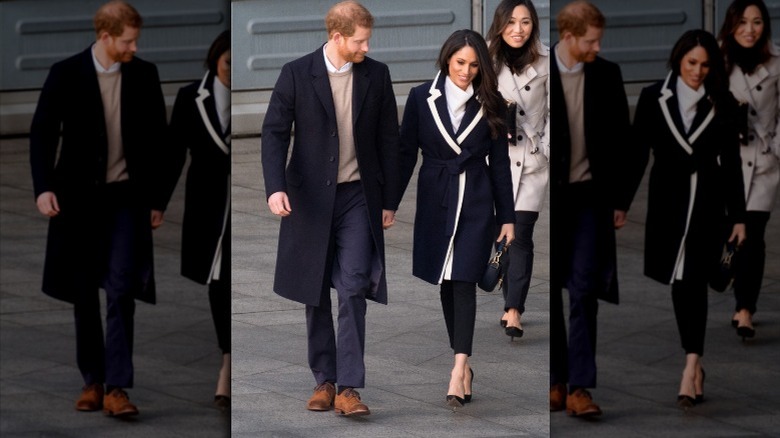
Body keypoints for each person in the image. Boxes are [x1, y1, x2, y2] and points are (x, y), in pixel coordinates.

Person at [261, 1, 400, 417]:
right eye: (359, 40)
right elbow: (272, 132)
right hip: (310, 200)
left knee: (355, 283)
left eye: (367, 39)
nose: (366, 46)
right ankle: (324, 379)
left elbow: (389, 140)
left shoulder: (376, 74)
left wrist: (390, 200)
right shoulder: (296, 73)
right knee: (315, 288)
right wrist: (274, 188)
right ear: (337, 37)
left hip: (359, 196)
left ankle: (349, 388)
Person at [29, 0, 167, 417]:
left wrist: (157, 200)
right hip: (79, 201)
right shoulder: (66, 73)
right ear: (105, 36)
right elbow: (42, 134)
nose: (133, 47)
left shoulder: (144, 74)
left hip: (126, 199)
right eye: (127, 40)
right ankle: (93, 380)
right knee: (84, 292)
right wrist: (42, 189)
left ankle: (118, 388)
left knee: (122, 288)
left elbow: (159, 142)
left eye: (135, 39)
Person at [625, 29, 746, 409]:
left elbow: (733, 165)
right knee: (679, 283)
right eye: (692, 62)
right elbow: (638, 153)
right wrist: (621, 203)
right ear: (679, 59)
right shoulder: (653, 97)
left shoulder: (723, 102)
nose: (697, 70)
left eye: (705, 65)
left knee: (694, 280)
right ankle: (694, 359)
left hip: (709, 205)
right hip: (668, 204)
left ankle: (691, 364)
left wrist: (739, 217)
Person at [398, 29, 516, 408]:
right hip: (436, 197)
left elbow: (500, 165)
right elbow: (405, 154)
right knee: (446, 282)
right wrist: (388, 204)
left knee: (464, 279)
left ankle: (458, 368)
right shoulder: (420, 98)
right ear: (447, 58)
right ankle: (463, 363)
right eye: (460, 62)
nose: (466, 70)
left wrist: (507, 217)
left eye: (474, 64)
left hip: (478, 201)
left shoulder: (492, 102)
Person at [549, 0, 631, 417]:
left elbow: (623, 143)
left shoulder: (607, 74)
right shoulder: (540, 75)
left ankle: (580, 387)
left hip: (590, 201)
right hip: (551, 200)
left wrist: (620, 200)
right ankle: (555, 379)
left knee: (584, 290)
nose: (598, 47)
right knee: (549, 291)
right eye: (591, 40)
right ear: (568, 37)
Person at [164, 30, 231, 410]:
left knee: (229, 279)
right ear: (214, 60)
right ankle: (228, 357)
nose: (232, 74)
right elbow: (174, 153)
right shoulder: (192, 96)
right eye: (226, 65)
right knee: (216, 282)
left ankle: (228, 363)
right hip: (207, 204)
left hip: (237, 204)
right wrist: (158, 204)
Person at [486, 0, 549, 340]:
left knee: (521, 232)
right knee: (503, 234)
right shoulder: (483, 59)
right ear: (500, 25)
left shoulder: (546, 59)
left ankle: (514, 309)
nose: (518, 29)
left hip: (532, 160)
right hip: (495, 160)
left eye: (525, 22)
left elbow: (558, 110)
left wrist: (547, 148)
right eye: (511, 21)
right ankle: (508, 299)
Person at [718, 0, 780, 340]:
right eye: (743, 21)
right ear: (731, 25)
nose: (750, 29)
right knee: (731, 234)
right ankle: (728, 276)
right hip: (726, 163)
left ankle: (745, 309)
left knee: (753, 236)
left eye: (757, 22)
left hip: (763, 163)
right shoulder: (715, 60)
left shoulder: (777, 62)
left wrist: (776, 151)